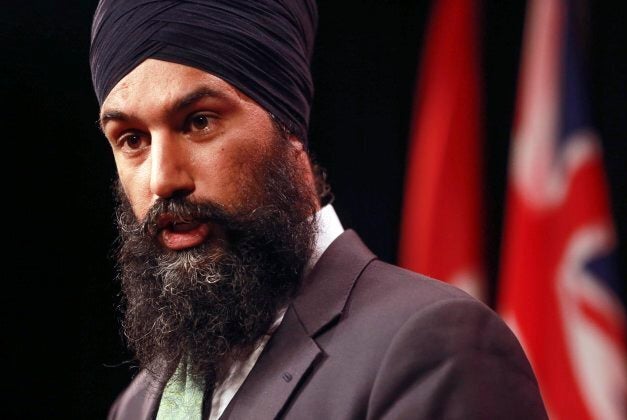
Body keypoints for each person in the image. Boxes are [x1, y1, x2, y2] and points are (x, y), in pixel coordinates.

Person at [89, 1, 547, 419]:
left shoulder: (437, 346)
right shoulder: (140, 405)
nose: (162, 179)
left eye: (199, 122)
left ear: (289, 127)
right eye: (132, 140)